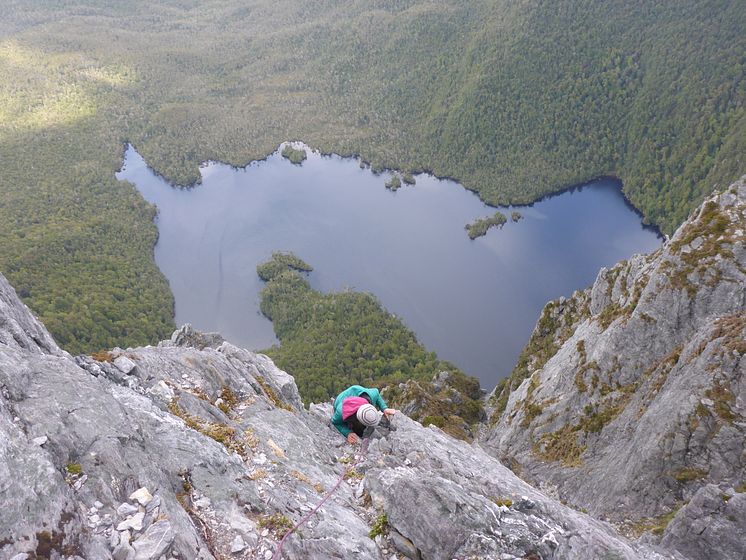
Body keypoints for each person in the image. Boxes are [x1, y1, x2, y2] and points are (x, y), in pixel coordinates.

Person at [331, 385, 397, 444]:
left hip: (357, 391)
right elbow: (335, 422)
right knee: (358, 432)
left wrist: (384, 408)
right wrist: (348, 433)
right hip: (340, 399)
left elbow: (376, 393)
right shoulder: (341, 411)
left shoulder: (370, 396)